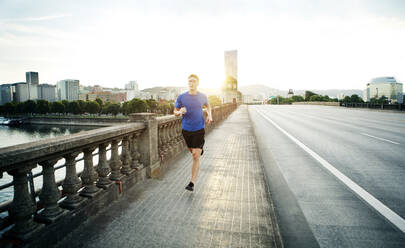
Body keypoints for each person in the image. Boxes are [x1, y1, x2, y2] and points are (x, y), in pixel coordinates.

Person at [174, 74, 212, 191]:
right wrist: (179, 111)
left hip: (199, 129)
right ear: (188, 83)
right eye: (189, 81)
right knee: (193, 152)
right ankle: (198, 150)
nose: (191, 83)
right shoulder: (181, 97)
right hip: (186, 130)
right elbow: (174, 111)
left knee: (195, 156)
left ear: (197, 83)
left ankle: (192, 182)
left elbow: (208, 106)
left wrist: (209, 115)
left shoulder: (202, 96)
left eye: (194, 81)